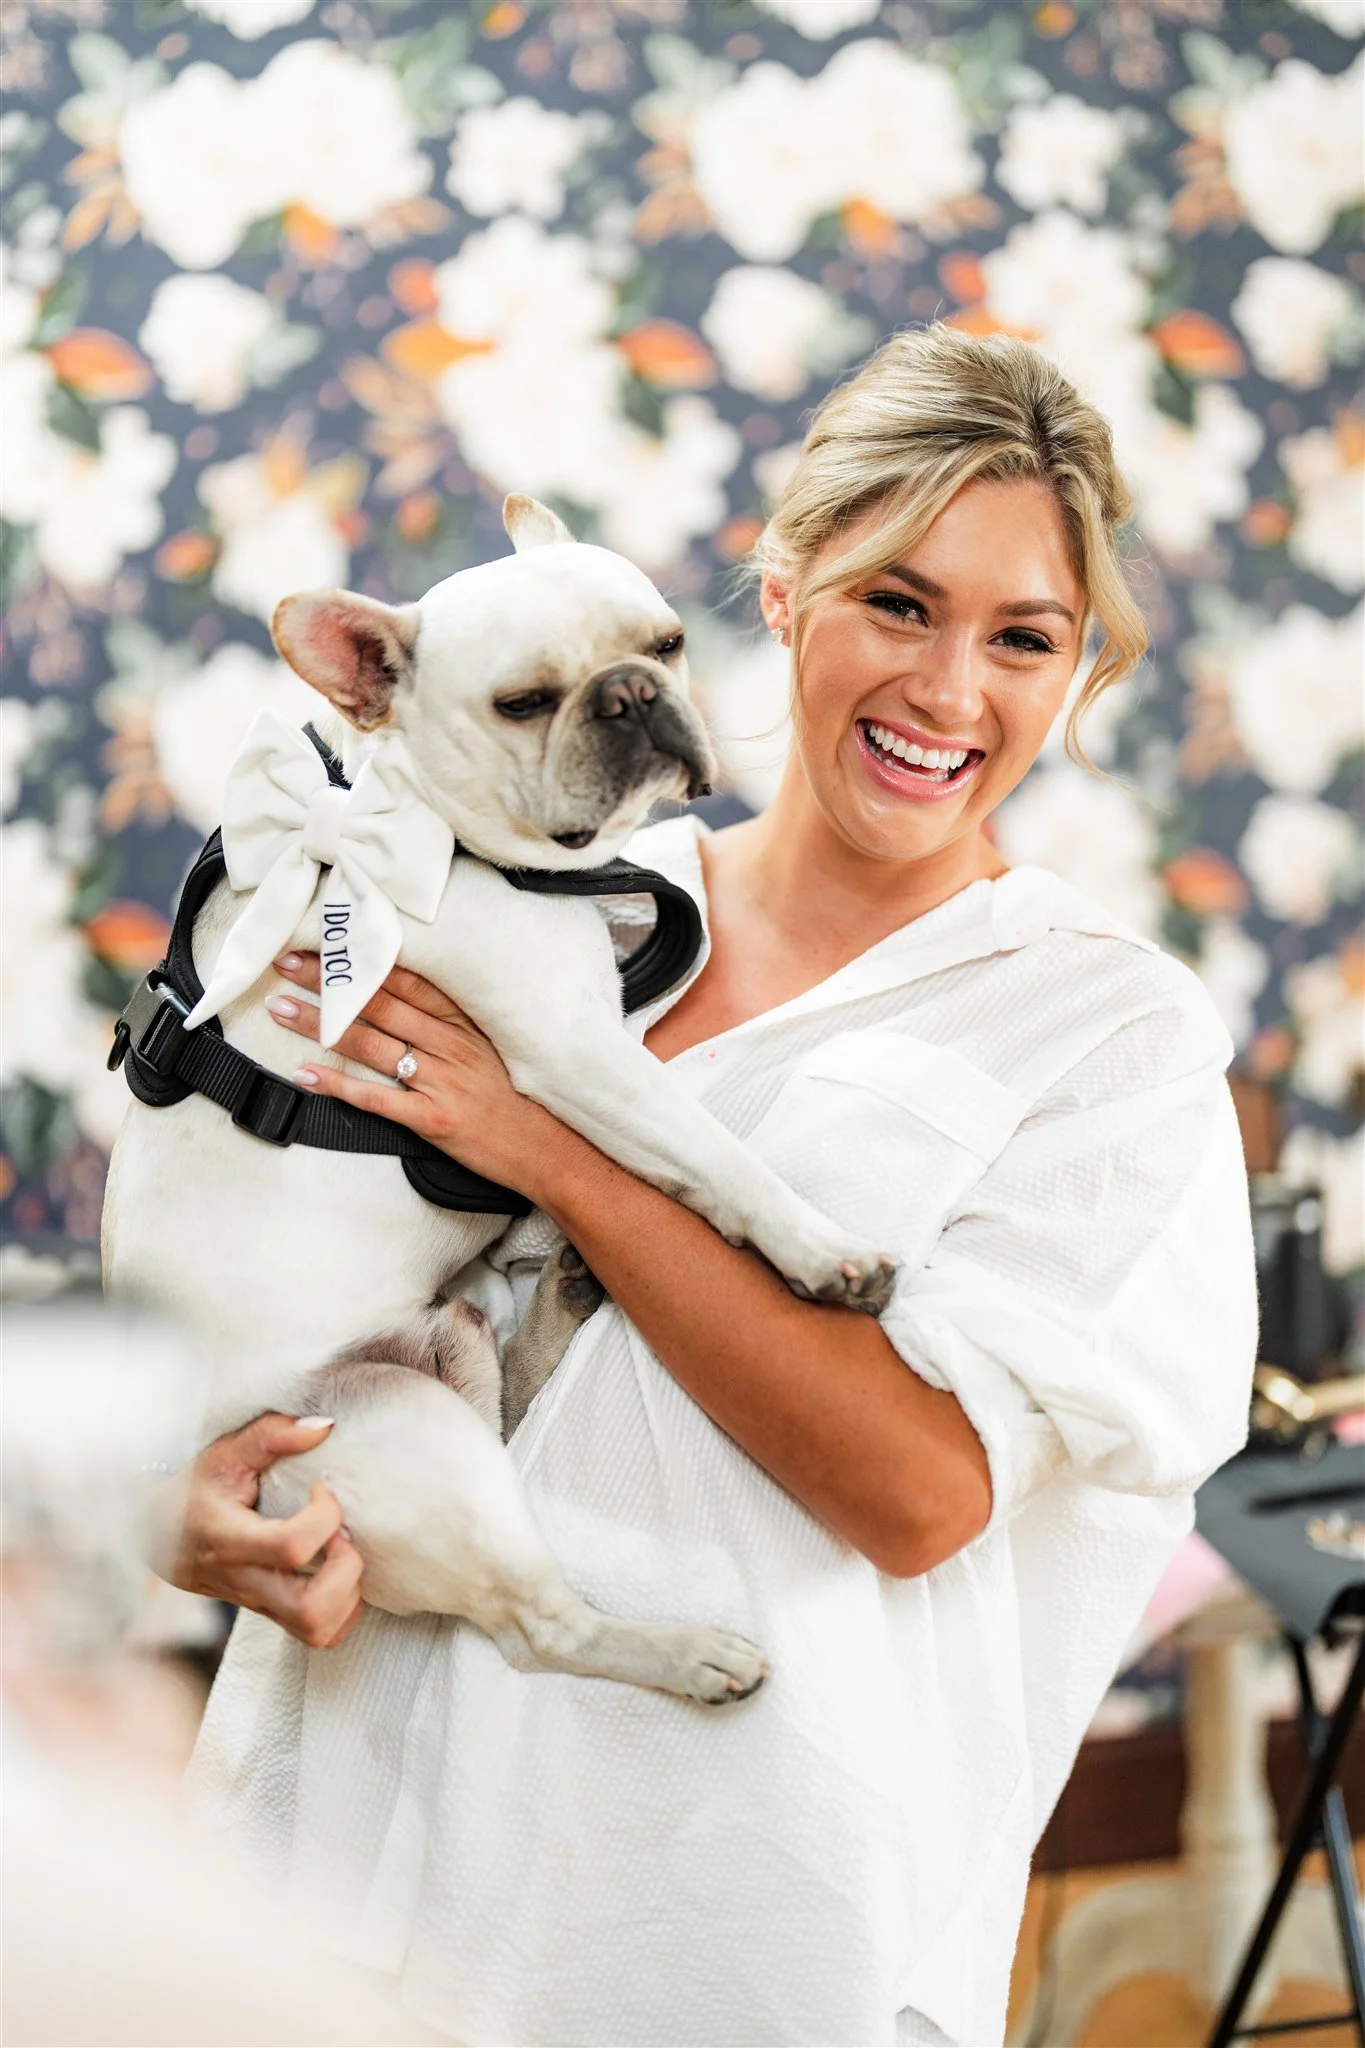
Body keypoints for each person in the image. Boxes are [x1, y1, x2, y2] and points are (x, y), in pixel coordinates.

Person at [161, 326, 1257, 2048]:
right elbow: (276, 1268)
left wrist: (553, 1153)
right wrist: (197, 1497)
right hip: (329, 1861)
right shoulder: (534, 896)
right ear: (785, 589)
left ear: (1080, 675)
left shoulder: (1110, 1037)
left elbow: (915, 1494)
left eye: (1023, 639)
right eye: (898, 603)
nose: (949, 692)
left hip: (719, 1921)